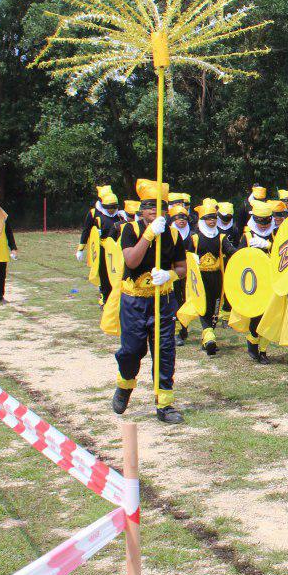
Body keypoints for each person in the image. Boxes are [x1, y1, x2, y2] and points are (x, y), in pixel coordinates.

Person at [111, 179, 188, 424]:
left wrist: (170, 275)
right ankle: (125, 384)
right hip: (134, 301)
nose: (154, 211)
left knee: (164, 352)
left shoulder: (174, 234)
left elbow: (182, 267)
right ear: (141, 209)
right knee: (132, 351)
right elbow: (131, 262)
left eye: (159, 206)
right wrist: (149, 234)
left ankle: (164, 404)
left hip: (163, 301)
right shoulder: (129, 230)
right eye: (148, 206)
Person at [187, 198, 236, 355]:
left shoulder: (221, 237)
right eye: (208, 218)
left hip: (216, 277)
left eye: (214, 218)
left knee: (215, 308)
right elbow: (185, 255)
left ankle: (208, 336)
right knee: (203, 306)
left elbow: (231, 252)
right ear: (202, 219)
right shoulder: (194, 237)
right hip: (200, 278)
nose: (211, 221)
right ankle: (208, 336)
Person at [241, 198, 278, 361]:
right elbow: (239, 259)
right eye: (260, 221)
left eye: (266, 221)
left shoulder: (275, 234)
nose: (263, 224)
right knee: (256, 315)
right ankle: (253, 342)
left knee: (270, 315)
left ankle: (263, 349)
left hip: (271, 280)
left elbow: (282, 255)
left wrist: (270, 246)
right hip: (253, 282)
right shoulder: (247, 236)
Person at [78, 185, 120, 305]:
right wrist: (81, 249)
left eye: (114, 207)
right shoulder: (93, 213)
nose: (112, 210)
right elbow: (86, 230)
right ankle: (104, 297)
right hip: (101, 248)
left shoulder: (119, 215)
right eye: (109, 207)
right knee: (103, 273)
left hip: (115, 249)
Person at [169, 202, 192, 346]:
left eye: (184, 217)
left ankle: (184, 328)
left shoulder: (193, 233)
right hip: (175, 271)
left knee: (186, 299)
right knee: (176, 300)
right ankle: (177, 331)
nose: (182, 220)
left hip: (189, 272)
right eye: (178, 217)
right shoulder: (168, 233)